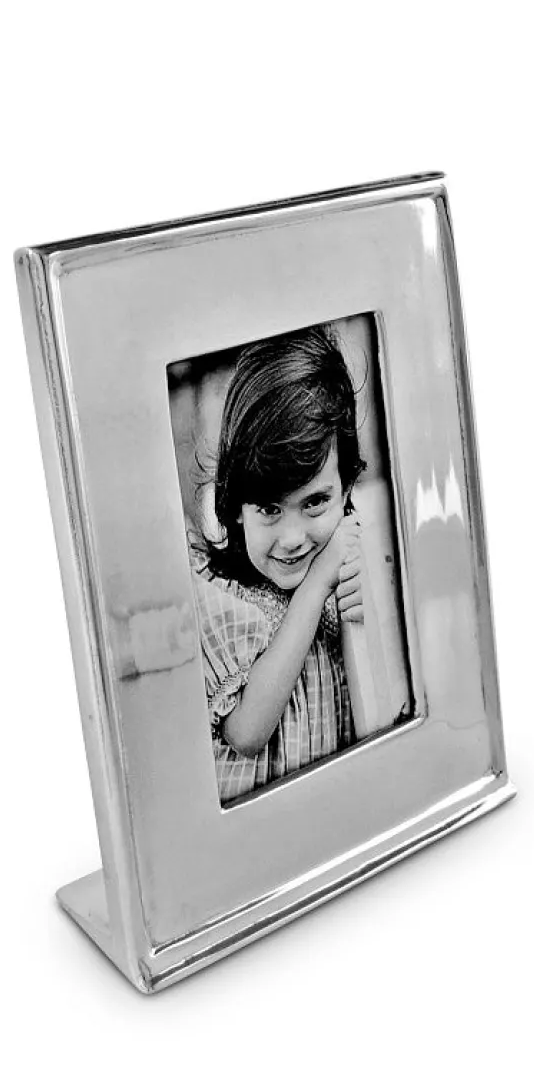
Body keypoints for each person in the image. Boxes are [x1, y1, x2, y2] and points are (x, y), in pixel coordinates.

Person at [191, 326, 366, 803]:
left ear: (346, 487)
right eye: (269, 508)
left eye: (315, 502)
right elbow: (247, 732)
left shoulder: (353, 561)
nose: (292, 539)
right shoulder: (220, 599)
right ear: (236, 507)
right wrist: (316, 586)